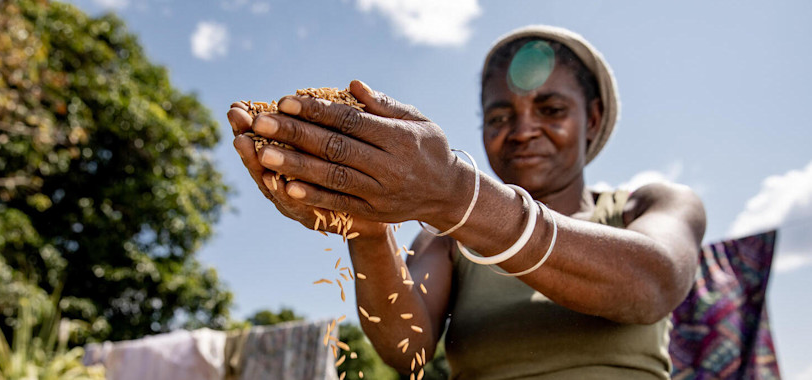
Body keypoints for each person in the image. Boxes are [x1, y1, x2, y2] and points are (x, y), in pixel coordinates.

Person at [228, 25, 706, 379]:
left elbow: (655, 282)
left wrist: (459, 195)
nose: (522, 131)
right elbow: (407, 352)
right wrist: (369, 230)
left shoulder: (646, 205)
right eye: (500, 117)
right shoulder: (445, 236)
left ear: (594, 119)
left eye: (551, 110)